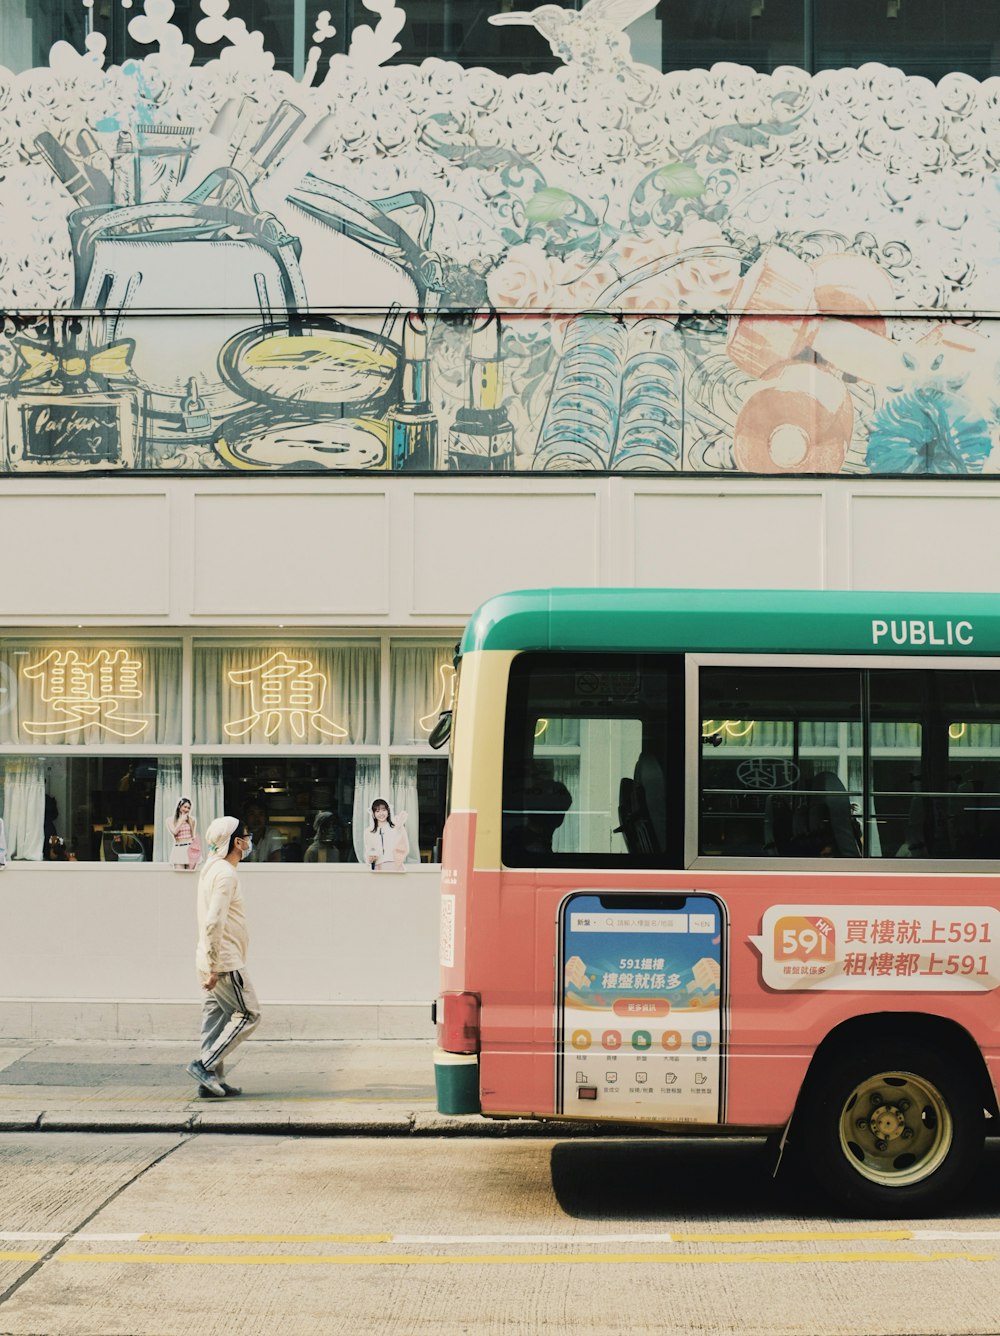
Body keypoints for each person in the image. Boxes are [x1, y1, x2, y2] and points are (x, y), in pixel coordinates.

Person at [186, 815, 261, 1099]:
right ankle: (204, 1066)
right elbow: (214, 920)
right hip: (225, 961)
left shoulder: (210, 869)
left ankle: (211, 1081)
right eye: (247, 836)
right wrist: (216, 963)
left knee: (215, 1019)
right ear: (237, 842)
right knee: (249, 1014)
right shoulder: (226, 874)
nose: (249, 841)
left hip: (208, 958)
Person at [364, 798, 408, 872]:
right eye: (377, 811)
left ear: (388, 811)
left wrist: (400, 828)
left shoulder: (396, 827)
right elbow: (368, 850)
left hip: (395, 866)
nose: (381, 814)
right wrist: (370, 859)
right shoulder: (368, 832)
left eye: (384, 810)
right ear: (373, 814)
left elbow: (403, 846)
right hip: (377, 867)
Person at [242, 798, 284, 863]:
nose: (256, 818)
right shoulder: (239, 836)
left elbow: (276, 860)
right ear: (245, 817)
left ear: (266, 818)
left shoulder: (272, 833)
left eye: (261, 814)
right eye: (252, 814)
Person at [167, 796, 198, 871]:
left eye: (188, 808)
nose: (186, 809)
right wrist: (181, 820)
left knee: (190, 874)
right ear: (179, 806)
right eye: (185, 807)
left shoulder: (192, 819)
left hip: (189, 847)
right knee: (180, 874)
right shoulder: (170, 820)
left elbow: (192, 835)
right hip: (179, 848)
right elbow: (174, 832)